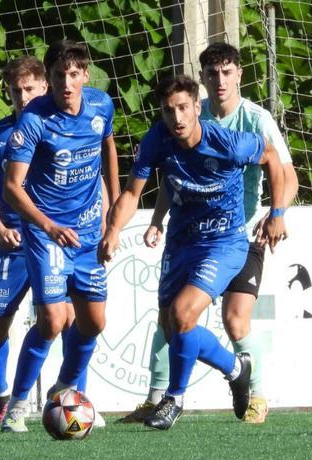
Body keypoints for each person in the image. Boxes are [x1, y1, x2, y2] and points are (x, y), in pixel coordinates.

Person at [118, 42, 298, 425]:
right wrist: (153, 221)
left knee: (226, 318)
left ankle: (236, 394)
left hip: (241, 234)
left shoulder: (251, 123)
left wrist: (277, 214)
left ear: (239, 75)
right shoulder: (166, 134)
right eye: (212, 73)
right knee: (171, 322)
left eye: (227, 71)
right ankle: (231, 372)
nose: (220, 79)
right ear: (202, 80)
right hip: (186, 236)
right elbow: (173, 179)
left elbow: (281, 167)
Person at [0, 39, 119, 432]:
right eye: (57, 76)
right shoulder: (34, 119)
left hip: (87, 233)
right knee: (52, 320)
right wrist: (48, 225)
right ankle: (17, 405)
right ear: (48, 79)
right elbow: (14, 188)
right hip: (47, 233)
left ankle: (66, 387)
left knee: (94, 322)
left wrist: (114, 209)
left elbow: (108, 147)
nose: (66, 84)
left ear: (85, 74)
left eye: (73, 74)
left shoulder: (101, 106)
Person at [0, 56, 50, 423]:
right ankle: (2, 394)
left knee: (64, 318)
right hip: (13, 244)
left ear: (44, 87)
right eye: (16, 91)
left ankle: (68, 391)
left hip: (53, 240)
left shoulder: (63, 128)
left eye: (29, 89)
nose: (22, 96)